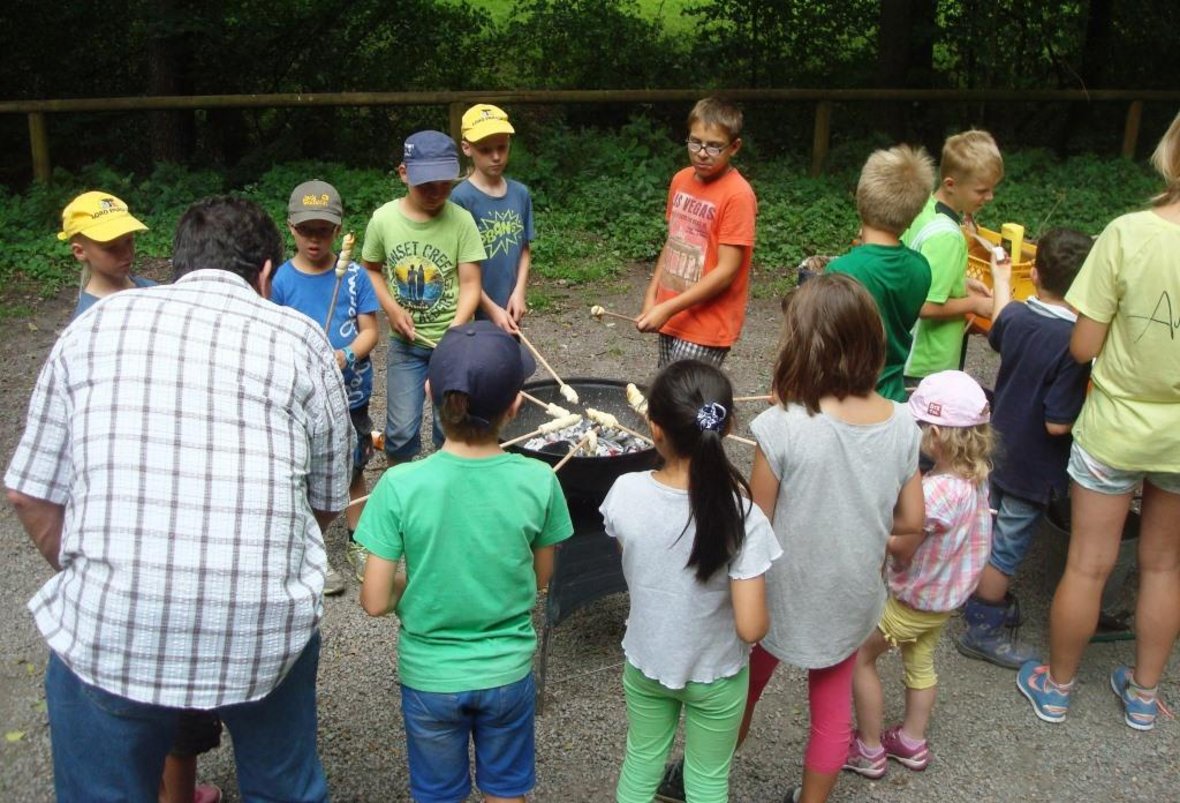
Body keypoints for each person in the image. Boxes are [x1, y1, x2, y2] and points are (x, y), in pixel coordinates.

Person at [5, 196, 353, 802]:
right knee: (283, 786)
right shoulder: (300, 339)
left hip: (110, 626)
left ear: (176, 265)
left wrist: (110, 571)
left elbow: (27, 493)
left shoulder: (93, 326)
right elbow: (327, 496)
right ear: (267, 273)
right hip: (261, 621)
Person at [356, 320, 572, 803]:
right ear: (515, 406)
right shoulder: (539, 481)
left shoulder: (398, 486)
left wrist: (417, 583)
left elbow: (373, 600)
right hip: (507, 673)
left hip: (429, 677)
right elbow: (541, 578)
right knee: (505, 792)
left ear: (430, 390)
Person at [1018, 111, 1180, 732]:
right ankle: (1144, 695)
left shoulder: (1127, 233)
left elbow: (1083, 346)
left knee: (1089, 561)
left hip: (1116, 426)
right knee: (1164, 564)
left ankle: (1057, 688)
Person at [743, 273, 924, 803]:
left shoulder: (780, 427)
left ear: (802, 347)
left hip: (780, 595)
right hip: (851, 594)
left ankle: (705, 774)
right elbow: (912, 518)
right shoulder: (904, 423)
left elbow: (757, 525)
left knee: (744, 689)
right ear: (872, 341)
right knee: (830, 708)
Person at [602, 360, 781, 803]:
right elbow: (751, 627)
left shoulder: (623, 492)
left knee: (640, 762)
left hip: (646, 658)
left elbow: (633, 557)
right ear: (729, 426)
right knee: (706, 781)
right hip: (715, 674)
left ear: (654, 428)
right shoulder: (745, 517)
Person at [845, 370, 995, 780]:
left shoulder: (936, 492)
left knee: (860, 658)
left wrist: (874, 529)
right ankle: (911, 741)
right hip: (943, 603)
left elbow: (903, 543)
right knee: (921, 660)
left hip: (913, 599)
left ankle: (869, 748)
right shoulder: (975, 477)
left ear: (937, 435)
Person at [957, 229, 1094, 668]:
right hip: (1033, 464)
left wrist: (1000, 279)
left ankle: (973, 591)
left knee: (987, 525)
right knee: (1008, 546)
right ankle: (983, 627)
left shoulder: (1016, 317)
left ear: (1033, 275)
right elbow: (1057, 423)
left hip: (996, 449)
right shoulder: (1076, 344)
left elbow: (999, 328)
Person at [272, 179, 380, 586]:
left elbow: (370, 331)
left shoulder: (354, 277)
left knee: (354, 465)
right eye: (305, 230)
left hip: (351, 394)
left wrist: (347, 354)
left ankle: (361, 542)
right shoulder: (281, 281)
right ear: (290, 228)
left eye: (323, 231)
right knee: (303, 470)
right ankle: (311, 551)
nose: (314, 240)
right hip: (302, 397)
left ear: (338, 230)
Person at [361, 130, 486, 464]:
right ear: (404, 173)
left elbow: (472, 283)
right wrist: (391, 309)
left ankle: (446, 491)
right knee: (400, 432)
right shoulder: (384, 220)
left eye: (445, 184)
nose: (436, 192)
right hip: (406, 345)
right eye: (426, 185)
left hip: (454, 343)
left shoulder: (461, 222)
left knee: (451, 427)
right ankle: (401, 489)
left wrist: (455, 330)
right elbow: (370, 269)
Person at [638, 97, 757, 368]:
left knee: (684, 402)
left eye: (714, 146)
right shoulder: (680, 180)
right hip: (672, 315)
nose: (702, 153)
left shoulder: (737, 195)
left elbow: (726, 272)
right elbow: (673, 242)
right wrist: (653, 297)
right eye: (695, 142)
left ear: (734, 147)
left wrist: (668, 307)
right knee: (669, 397)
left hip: (706, 325)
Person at [828, 145, 936, 402]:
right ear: (914, 213)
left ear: (860, 199)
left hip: (846, 399)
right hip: (892, 398)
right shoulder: (920, 268)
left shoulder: (840, 271)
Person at [902, 129, 1004, 382]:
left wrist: (960, 285)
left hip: (904, 350)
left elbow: (920, 272)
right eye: (981, 190)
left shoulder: (923, 207)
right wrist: (975, 304)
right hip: (924, 361)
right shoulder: (947, 236)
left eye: (992, 189)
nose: (989, 197)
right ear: (951, 184)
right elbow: (924, 305)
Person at [451, 104, 534, 331]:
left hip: (509, 308)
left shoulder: (520, 194)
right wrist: (489, 308)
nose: (496, 156)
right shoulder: (460, 199)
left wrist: (519, 292)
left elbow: (524, 248)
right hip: (474, 314)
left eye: (502, 147)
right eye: (485, 150)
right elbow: (456, 266)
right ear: (467, 148)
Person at [58, 190, 153, 319]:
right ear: (80, 252)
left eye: (129, 241)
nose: (126, 253)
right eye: (111, 248)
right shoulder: (88, 319)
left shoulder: (153, 289)